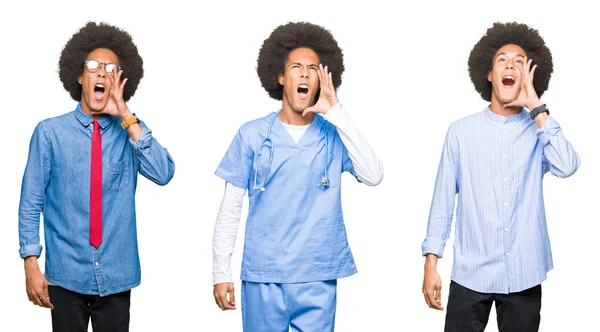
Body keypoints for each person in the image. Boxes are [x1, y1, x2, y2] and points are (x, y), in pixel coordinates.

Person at [211, 21, 383, 331]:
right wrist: (220, 272)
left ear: (322, 79)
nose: (304, 73)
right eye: (296, 67)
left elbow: (373, 175)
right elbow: (229, 210)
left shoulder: (334, 135)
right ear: (279, 75)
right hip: (265, 275)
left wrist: (337, 112)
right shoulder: (251, 135)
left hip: (317, 275)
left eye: (313, 68)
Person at [421, 22, 580, 332]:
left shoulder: (539, 130)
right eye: (502, 60)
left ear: (529, 75)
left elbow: (568, 165)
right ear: (489, 73)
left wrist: (536, 106)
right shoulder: (460, 132)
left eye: (519, 62)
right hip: (471, 275)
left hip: (524, 272)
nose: (510, 65)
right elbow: (442, 201)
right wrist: (431, 263)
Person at [18, 21, 175, 331]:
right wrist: (30, 263)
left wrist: (126, 115)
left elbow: (164, 172)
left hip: (117, 276)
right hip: (65, 275)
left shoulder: (130, 131)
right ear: (79, 75)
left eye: (111, 68)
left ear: (120, 80)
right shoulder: (49, 133)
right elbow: (30, 201)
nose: (102, 72)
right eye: (94, 66)